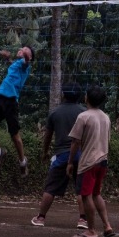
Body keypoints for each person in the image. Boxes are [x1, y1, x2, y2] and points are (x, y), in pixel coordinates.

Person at [31, 82, 88, 229]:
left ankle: (41, 217)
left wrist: (45, 152)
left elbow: (48, 136)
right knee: (81, 188)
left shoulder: (55, 113)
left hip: (62, 154)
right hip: (81, 155)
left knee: (50, 188)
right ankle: (83, 219)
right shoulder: (84, 112)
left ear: (63, 94)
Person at [66, 85, 115, 237]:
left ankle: (92, 230)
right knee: (96, 194)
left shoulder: (84, 117)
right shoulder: (106, 117)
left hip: (88, 162)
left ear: (86, 98)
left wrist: (70, 162)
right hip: (103, 160)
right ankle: (107, 226)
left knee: (86, 195)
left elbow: (75, 142)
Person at [0, 45, 35, 177]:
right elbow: (15, 66)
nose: (21, 49)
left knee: (15, 136)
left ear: (29, 56)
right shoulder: (16, 64)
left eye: (24, 49)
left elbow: (26, 60)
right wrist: (8, 59)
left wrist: (24, 55)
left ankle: (23, 162)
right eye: (21, 48)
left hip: (11, 102)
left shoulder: (26, 65)